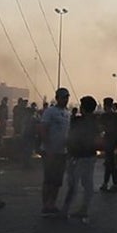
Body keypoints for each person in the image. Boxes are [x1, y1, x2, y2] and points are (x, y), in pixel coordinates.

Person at [62, 95, 101, 219]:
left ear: (83, 108)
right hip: (90, 155)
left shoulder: (77, 121)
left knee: (73, 184)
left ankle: (65, 210)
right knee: (88, 183)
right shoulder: (96, 122)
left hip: (77, 156)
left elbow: (71, 137)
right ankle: (84, 208)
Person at [37, 88, 73, 216]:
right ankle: (46, 205)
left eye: (67, 97)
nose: (66, 100)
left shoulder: (67, 113)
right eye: (63, 97)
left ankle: (52, 203)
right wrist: (48, 147)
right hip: (50, 151)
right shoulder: (50, 112)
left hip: (62, 152)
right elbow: (43, 129)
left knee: (58, 180)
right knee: (49, 179)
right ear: (57, 98)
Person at [100, 98, 117, 192]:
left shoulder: (104, 116)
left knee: (110, 164)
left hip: (109, 142)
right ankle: (109, 183)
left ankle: (113, 184)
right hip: (115, 142)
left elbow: (101, 129)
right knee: (110, 163)